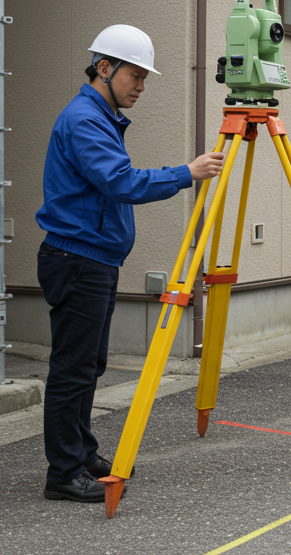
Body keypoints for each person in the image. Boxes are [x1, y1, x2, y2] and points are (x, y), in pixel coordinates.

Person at [35, 25, 225, 503]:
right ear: (105, 68)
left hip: (90, 258)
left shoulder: (98, 117)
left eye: (144, 79)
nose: (140, 87)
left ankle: (80, 454)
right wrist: (188, 173)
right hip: (77, 258)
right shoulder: (84, 120)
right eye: (135, 77)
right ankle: (63, 472)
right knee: (74, 368)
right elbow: (120, 182)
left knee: (88, 364)